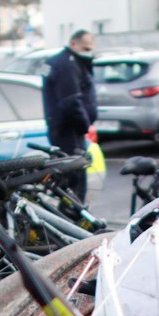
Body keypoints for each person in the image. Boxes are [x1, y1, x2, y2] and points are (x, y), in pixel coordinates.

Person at [41, 30, 98, 203]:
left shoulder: (62, 61)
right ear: (73, 43)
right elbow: (71, 102)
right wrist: (84, 125)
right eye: (85, 48)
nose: (88, 52)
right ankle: (73, 215)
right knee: (75, 181)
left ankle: (70, 212)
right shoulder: (67, 65)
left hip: (64, 128)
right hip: (69, 131)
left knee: (69, 179)